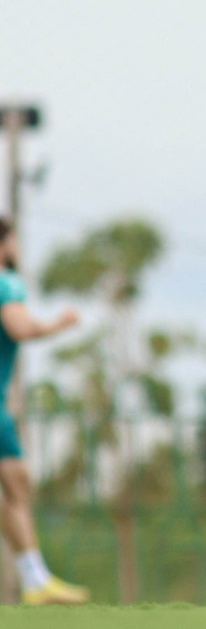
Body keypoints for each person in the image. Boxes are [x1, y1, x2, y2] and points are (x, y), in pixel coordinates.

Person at [0, 218, 89, 605]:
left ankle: (36, 580)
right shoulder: (7, 282)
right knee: (14, 484)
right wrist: (58, 325)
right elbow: (19, 328)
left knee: (16, 481)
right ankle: (36, 579)